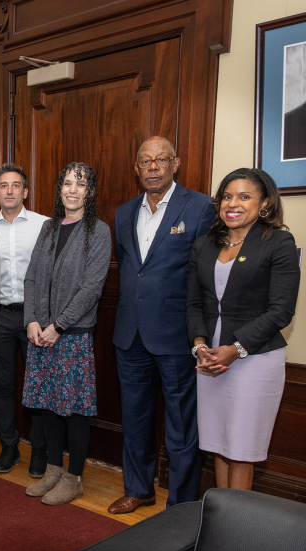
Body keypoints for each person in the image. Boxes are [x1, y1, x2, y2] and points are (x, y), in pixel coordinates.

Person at [110, 136, 215, 514]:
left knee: (181, 425)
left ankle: (182, 504)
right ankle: (138, 489)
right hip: (129, 333)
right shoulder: (123, 212)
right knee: (135, 418)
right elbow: (131, 269)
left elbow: (204, 276)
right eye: (145, 161)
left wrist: (200, 333)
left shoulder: (201, 207)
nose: (152, 167)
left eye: (160, 160)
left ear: (176, 163)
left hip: (175, 334)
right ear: (136, 168)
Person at [188, 168, 300, 490]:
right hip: (209, 360)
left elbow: (281, 311)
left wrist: (235, 349)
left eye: (244, 196)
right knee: (219, 448)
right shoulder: (204, 246)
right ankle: (220, 522)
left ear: (264, 203)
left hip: (254, 361)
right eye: (227, 196)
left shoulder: (278, 242)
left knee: (241, 451)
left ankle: (235, 531)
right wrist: (199, 345)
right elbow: (193, 304)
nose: (232, 203)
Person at [22, 163, 111, 504]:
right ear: (60, 189)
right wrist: (32, 321)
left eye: (81, 184)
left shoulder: (98, 231)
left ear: (90, 191)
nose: (73, 189)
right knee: (47, 405)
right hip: (40, 334)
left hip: (71, 334)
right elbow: (31, 278)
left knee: (73, 409)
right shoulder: (48, 228)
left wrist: (58, 326)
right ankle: (53, 471)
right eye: (67, 183)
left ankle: (74, 478)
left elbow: (92, 288)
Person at [0, 163, 49, 476]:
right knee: (3, 386)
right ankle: (9, 446)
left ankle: (39, 449)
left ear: (25, 191)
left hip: (34, 316)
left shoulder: (44, 225)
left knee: (37, 385)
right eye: (3, 186)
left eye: (16, 186)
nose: (9, 191)